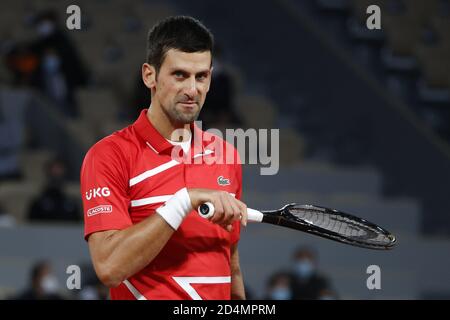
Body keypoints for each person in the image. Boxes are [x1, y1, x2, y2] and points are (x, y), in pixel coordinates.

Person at [80, 16, 248, 300]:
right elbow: (109, 266)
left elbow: (230, 264)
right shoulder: (109, 156)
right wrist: (184, 200)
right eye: (179, 75)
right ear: (150, 75)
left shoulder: (226, 156)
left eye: (201, 76)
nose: (192, 90)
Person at [28, 157, 80, 222]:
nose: (57, 173)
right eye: (54, 169)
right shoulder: (38, 204)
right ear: (48, 173)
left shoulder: (71, 205)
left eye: (60, 169)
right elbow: (31, 227)